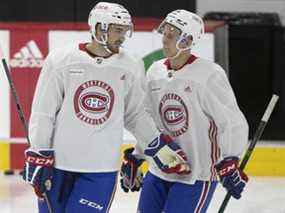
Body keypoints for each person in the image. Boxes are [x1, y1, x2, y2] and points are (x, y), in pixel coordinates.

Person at [22, 3, 191, 213]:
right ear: (99, 28)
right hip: (59, 165)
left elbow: (135, 114)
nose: (123, 37)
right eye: (118, 30)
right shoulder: (61, 60)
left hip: (101, 169)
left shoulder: (130, 64)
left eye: (125, 30)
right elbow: (43, 113)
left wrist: (156, 146)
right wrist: (38, 153)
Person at [120, 10, 249, 213]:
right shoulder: (155, 71)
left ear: (187, 39)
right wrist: (138, 155)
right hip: (160, 169)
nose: (164, 39)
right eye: (164, 33)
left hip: (197, 175)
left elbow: (231, 122)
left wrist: (230, 159)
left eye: (171, 35)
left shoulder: (209, 75)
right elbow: (152, 122)